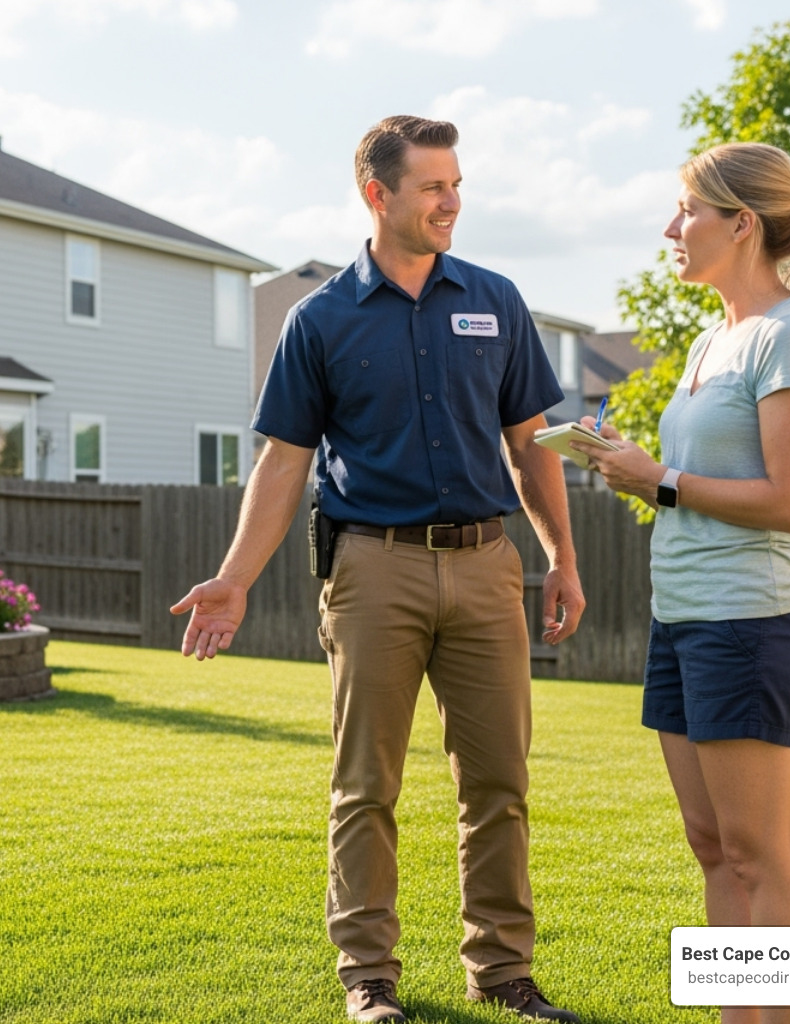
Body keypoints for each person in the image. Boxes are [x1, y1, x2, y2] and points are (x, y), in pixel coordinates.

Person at [171, 116, 586, 1024]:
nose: (452, 202)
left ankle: (503, 971)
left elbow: (530, 443)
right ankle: (369, 976)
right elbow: (284, 462)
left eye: (457, 184)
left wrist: (560, 556)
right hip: (372, 569)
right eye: (433, 186)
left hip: (487, 566)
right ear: (378, 193)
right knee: (366, 786)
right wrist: (235, 576)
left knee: (499, 784)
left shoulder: (496, 300)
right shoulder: (319, 319)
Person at [581, 141, 790, 1024]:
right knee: (713, 846)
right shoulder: (711, 338)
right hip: (683, 618)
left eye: (687, 210)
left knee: (761, 855)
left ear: (740, 224)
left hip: (751, 622)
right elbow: (692, 480)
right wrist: (630, 467)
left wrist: (657, 479)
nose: (671, 228)